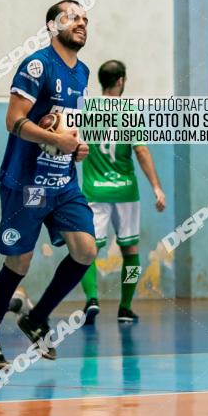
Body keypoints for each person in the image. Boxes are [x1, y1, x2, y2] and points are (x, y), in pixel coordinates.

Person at [0, 0, 97, 371]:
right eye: (73, 17)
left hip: (63, 181)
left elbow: (67, 126)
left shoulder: (83, 72)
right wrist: (53, 138)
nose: (81, 23)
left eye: (85, 19)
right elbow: (14, 120)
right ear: (51, 25)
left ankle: (37, 316)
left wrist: (76, 146)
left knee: (86, 249)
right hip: (27, 182)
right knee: (19, 261)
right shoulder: (37, 64)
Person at [80, 60, 166, 324]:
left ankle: (92, 298)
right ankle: (125, 308)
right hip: (125, 192)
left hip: (94, 191)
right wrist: (156, 187)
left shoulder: (87, 109)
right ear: (120, 81)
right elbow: (140, 150)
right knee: (130, 250)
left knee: (87, 251)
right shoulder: (129, 111)